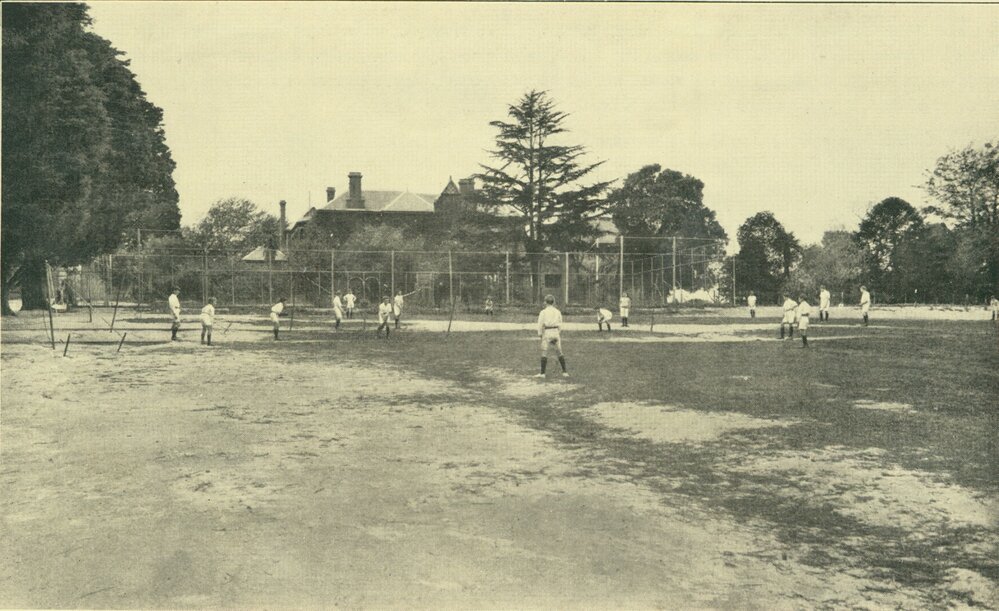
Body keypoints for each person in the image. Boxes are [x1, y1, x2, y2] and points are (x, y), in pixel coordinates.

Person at [535, 294, 568, 378]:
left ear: (546, 302)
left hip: (547, 332)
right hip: (555, 332)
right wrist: (558, 332)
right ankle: (565, 372)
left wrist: (540, 334)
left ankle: (542, 373)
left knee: (544, 352)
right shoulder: (557, 311)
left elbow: (540, 324)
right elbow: (560, 323)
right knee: (559, 352)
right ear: (553, 302)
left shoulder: (543, 312)